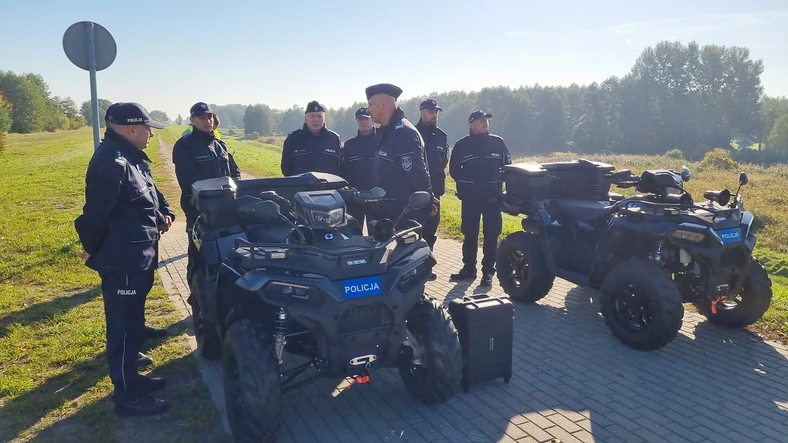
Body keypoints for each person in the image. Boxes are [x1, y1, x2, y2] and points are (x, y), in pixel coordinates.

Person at [74, 102, 174, 416]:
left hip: (138, 257)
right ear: (131, 129)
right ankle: (127, 397)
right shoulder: (110, 163)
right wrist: (95, 250)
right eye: (147, 128)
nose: (150, 134)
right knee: (123, 329)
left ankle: (133, 379)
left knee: (133, 325)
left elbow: (144, 197)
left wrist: (162, 214)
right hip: (123, 260)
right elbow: (93, 217)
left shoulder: (129, 158)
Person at [172, 102, 240, 308]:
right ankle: (197, 301)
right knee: (199, 257)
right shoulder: (184, 146)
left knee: (225, 255)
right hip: (200, 213)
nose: (207, 121)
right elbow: (188, 182)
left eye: (210, 117)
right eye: (202, 117)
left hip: (226, 212)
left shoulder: (220, 145)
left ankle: (220, 298)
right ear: (192, 120)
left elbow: (235, 174)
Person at [448, 110, 511, 286]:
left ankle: (488, 272)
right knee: (469, 234)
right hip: (470, 199)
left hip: (492, 199)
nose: (485, 123)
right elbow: (454, 170)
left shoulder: (498, 143)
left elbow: (508, 167)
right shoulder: (462, 145)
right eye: (481, 120)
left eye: (486, 120)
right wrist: (468, 185)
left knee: (491, 236)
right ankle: (469, 269)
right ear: (471, 124)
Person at [365, 83, 437, 229]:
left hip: (402, 217)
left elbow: (417, 173)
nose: (368, 110)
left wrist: (428, 203)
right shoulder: (388, 131)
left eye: (371, 104)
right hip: (388, 214)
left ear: (383, 104)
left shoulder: (403, 132)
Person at [415, 99, 449, 250]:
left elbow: (443, 161)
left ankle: (427, 266)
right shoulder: (412, 134)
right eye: (430, 112)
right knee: (414, 231)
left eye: (436, 112)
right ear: (421, 112)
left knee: (431, 230)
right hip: (416, 193)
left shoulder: (442, 136)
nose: (434, 115)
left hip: (436, 192)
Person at [280, 101, 342, 176]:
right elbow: (286, 168)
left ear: (324, 119)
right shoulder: (293, 138)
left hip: (328, 187)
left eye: (320, 116)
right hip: (302, 187)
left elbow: (341, 167)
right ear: (305, 119)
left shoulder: (334, 139)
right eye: (312, 116)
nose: (316, 120)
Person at [340, 107, 378, 226]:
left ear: (372, 120)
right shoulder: (350, 145)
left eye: (366, 119)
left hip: (377, 197)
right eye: (360, 120)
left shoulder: (382, 141)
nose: (363, 122)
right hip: (355, 198)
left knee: (377, 236)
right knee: (354, 234)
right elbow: (344, 169)